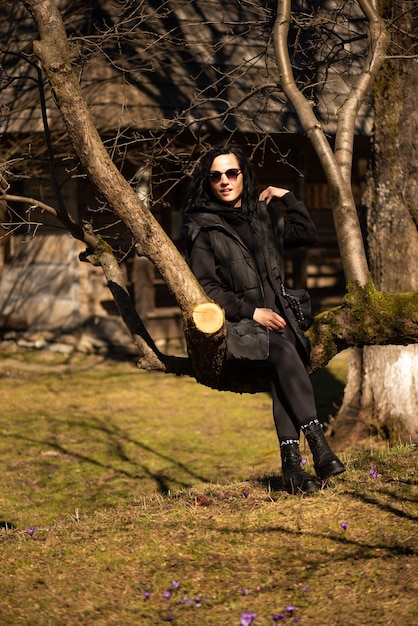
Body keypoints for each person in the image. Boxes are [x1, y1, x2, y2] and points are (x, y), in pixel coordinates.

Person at [182, 144, 345, 495]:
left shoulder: (262, 217)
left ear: (244, 175)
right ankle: (319, 446)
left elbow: (308, 234)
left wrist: (287, 196)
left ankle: (292, 470)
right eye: (216, 175)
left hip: (280, 321)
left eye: (231, 173)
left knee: (282, 368)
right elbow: (207, 286)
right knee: (285, 355)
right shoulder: (203, 227)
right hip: (240, 326)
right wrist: (252, 311)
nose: (224, 181)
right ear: (208, 182)